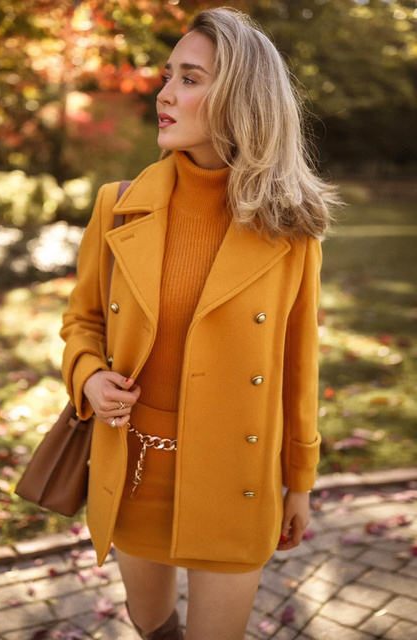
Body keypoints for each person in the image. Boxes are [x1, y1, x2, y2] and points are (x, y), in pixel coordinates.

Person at [60, 7, 339, 640]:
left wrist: (300, 480)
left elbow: (300, 362)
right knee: (152, 624)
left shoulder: (289, 225)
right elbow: (81, 322)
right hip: (133, 469)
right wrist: (89, 378)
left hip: (237, 479)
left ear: (241, 96)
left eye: (189, 78)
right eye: (168, 76)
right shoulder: (118, 205)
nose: (164, 94)